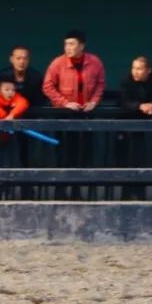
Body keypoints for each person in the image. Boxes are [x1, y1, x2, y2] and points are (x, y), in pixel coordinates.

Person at [43, 30, 106, 197]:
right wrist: (65, 103)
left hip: (86, 113)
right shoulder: (58, 63)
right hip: (65, 114)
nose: (68, 48)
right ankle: (61, 189)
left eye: (72, 44)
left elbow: (100, 84)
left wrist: (94, 101)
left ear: (82, 46)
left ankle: (78, 190)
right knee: (64, 152)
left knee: (84, 152)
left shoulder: (95, 62)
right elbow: (47, 86)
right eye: (66, 44)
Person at [118, 55, 152, 199]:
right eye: (134, 68)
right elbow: (124, 101)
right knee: (126, 161)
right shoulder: (126, 81)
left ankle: (141, 194)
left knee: (142, 160)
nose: (135, 72)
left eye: (139, 69)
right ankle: (125, 196)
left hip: (146, 127)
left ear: (148, 70)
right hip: (127, 126)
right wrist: (139, 106)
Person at [0, 76, 31, 199]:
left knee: (12, 161)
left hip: (12, 134)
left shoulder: (17, 98)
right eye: (7, 89)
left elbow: (23, 103)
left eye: (12, 90)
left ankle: (10, 192)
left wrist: (12, 115)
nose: (10, 92)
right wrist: (5, 116)